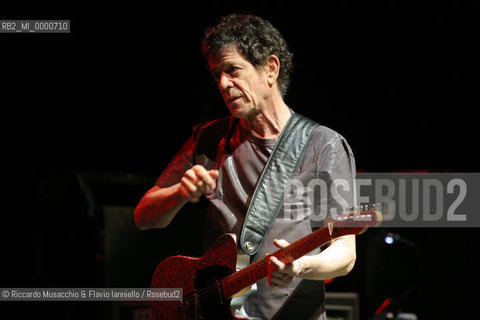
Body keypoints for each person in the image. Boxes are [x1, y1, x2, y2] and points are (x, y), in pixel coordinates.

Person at [134, 13, 357, 320]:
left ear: (270, 69)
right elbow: (144, 217)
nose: (224, 84)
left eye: (233, 70)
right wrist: (179, 193)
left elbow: (345, 254)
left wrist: (301, 267)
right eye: (217, 75)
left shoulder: (324, 146)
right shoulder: (209, 139)